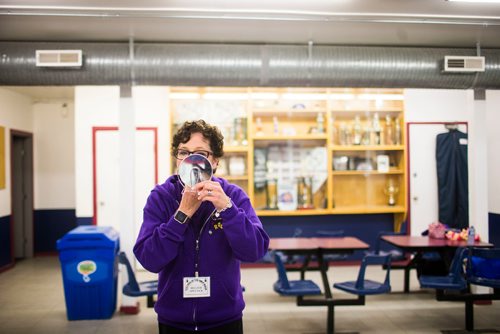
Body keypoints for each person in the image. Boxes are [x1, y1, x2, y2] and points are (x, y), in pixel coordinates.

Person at [134, 119, 270, 334]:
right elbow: (149, 259)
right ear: (177, 159)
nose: (190, 160)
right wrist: (182, 214)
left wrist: (228, 209)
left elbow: (254, 251)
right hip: (174, 319)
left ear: (214, 161)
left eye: (200, 153)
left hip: (224, 318)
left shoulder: (233, 196)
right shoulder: (161, 197)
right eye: (183, 152)